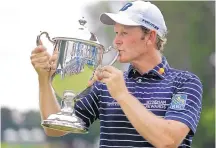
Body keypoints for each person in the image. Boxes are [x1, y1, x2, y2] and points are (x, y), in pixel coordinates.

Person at [30, 1, 203, 147]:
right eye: (116, 33)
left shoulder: (185, 82)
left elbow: (168, 141)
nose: (116, 41)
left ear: (150, 37)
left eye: (125, 33)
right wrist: (44, 79)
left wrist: (122, 95)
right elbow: (54, 128)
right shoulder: (105, 84)